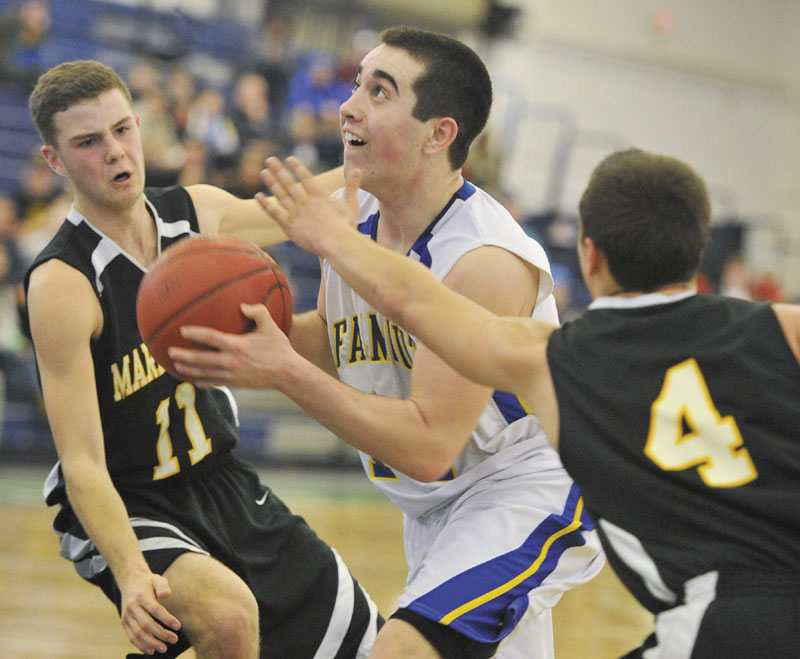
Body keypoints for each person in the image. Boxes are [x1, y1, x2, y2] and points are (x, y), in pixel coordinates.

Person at [224, 148, 800, 658]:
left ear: (589, 256)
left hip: (716, 615)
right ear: (699, 251)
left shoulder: (554, 359)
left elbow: (420, 300)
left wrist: (332, 242)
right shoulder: (778, 328)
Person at [171, 27, 604, 659]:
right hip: (436, 502)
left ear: (438, 134)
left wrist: (282, 371)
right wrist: (238, 335)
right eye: (355, 85)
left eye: (379, 91)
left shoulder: (483, 259)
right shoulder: (352, 210)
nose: (349, 105)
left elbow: (428, 444)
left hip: (527, 485)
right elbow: (339, 335)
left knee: (400, 649)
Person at [23, 60, 381, 659]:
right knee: (227, 615)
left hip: (221, 478)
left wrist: (376, 162)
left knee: (369, 641)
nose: (114, 152)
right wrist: (133, 573)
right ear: (55, 160)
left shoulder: (194, 212)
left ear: (140, 127)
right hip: (127, 498)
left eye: (121, 130)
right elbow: (81, 463)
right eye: (88, 142)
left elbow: (300, 207)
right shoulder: (63, 282)